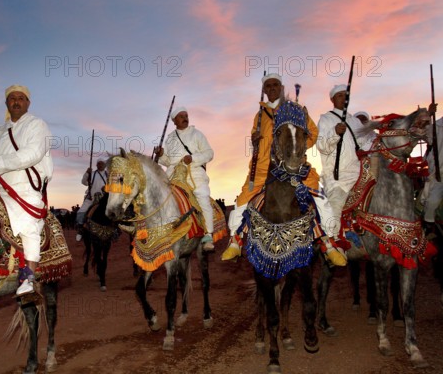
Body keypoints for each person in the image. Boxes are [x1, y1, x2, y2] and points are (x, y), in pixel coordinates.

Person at [222, 74, 346, 266]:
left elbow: (312, 134)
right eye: (268, 86)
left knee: (321, 198)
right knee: (242, 201)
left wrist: (298, 146)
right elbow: (257, 140)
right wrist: (255, 141)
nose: (272, 88)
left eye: (275, 85)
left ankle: (329, 242)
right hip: (263, 168)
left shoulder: (296, 109)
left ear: (281, 87)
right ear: (264, 90)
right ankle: (235, 240)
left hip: (294, 166)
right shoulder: (260, 115)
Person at [0, 84, 53, 297]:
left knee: (28, 224)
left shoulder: (37, 125)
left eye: (21, 98)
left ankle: (28, 275)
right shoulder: (0, 131)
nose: (16, 101)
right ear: (7, 103)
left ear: (28, 103)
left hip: (24, 187)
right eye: (12, 98)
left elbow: (33, 153)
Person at [316, 85, 372, 249]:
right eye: (339, 96)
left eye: (345, 95)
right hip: (337, 177)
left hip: (360, 174)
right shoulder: (326, 119)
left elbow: (367, 144)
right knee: (335, 207)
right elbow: (322, 146)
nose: (343, 98)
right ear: (332, 99)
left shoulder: (355, 121)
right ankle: (333, 246)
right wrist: (335, 133)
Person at [154, 106, 215, 251]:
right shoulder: (169, 138)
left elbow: (209, 153)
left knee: (203, 196)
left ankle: (208, 235)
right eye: (181, 116)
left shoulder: (197, 134)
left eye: (186, 115)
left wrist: (192, 158)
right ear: (175, 121)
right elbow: (168, 161)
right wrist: (161, 154)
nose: (185, 118)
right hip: (173, 174)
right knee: (159, 199)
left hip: (194, 173)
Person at [75, 158, 108, 241]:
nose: (100, 165)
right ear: (96, 165)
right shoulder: (92, 174)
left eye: (102, 163)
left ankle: (115, 229)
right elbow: (84, 182)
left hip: (104, 199)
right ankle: (80, 230)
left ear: (105, 165)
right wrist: (87, 174)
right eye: (98, 164)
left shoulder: (109, 175)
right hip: (91, 198)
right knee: (81, 211)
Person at [423, 102, 442, 228]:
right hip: (440, 173)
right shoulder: (438, 127)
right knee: (432, 202)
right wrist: (429, 115)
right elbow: (425, 133)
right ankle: (429, 226)